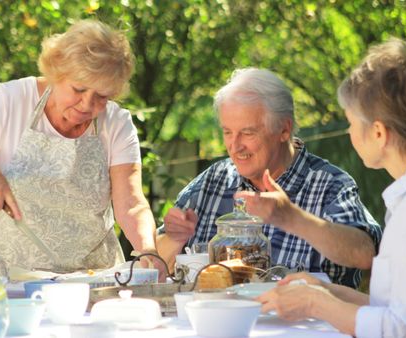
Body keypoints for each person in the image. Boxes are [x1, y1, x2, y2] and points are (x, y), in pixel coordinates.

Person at [0, 19, 161, 276]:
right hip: (6, 274)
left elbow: (131, 204)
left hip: (90, 277)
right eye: (78, 89)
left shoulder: (116, 123)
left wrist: (148, 250)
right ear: (56, 72)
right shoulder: (11, 100)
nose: (87, 104)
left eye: (102, 96)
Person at [157, 68, 382, 288]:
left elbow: (365, 253)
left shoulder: (330, 184)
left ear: (284, 129)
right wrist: (176, 238)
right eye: (227, 132)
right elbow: (154, 261)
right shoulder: (212, 181)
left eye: (247, 133)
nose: (235, 147)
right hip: (217, 323)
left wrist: (293, 218)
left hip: (302, 325)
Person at [258, 38, 406, 337]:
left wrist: (315, 302)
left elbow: (403, 330)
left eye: (351, 123)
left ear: (379, 132)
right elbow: (395, 310)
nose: (348, 132)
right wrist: (329, 292)